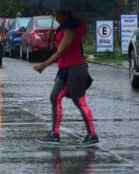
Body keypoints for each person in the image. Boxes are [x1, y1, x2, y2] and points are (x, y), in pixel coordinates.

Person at [34, 11, 99, 147]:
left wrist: (44, 65)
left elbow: (61, 51)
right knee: (54, 97)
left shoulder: (71, 30)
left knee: (79, 101)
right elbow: (57, 45)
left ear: (66, 15)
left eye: (57, 14)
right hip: (65, 70)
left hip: (76, 69)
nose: (55, 16)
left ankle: (92, 135)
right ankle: (55, 134)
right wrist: (52, 35)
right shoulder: (63, 28)